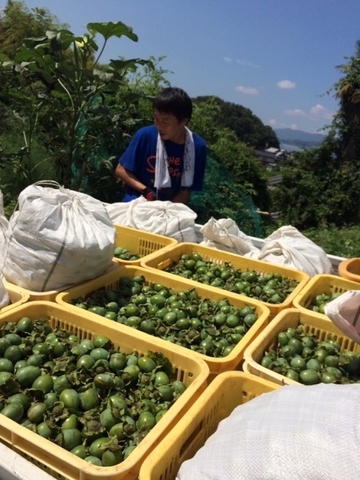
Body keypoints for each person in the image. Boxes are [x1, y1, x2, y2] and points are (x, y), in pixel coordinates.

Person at [115, 87, 207, 203]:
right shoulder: (144, 136)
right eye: (156, 119)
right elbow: (121, 170)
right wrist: (145, 191)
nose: (159, 126)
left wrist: (169, 211)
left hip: (169, 208)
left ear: (184, 121)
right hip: (136, 203)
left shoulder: (197, 147)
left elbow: (186, 190)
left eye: (165, 122)